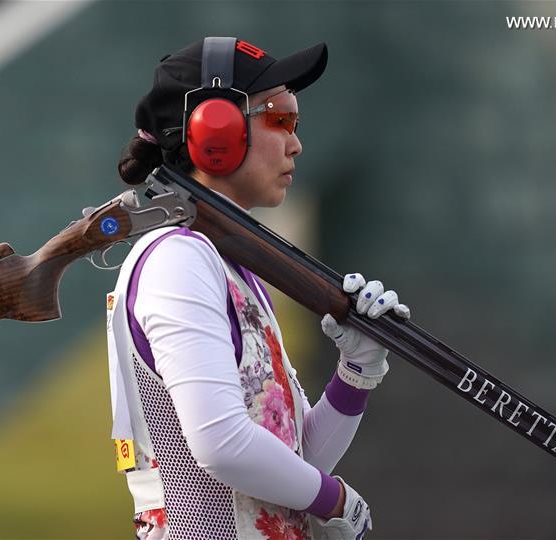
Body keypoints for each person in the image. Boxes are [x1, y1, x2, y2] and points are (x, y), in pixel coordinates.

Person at [106, 37, 409, 540]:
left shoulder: (225, 264)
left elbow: (290, 461)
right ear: (214, 132)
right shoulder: (181, 259)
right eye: (281, 119)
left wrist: (357, 371)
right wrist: (333, 498)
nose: (296, 143)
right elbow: (221, 442)